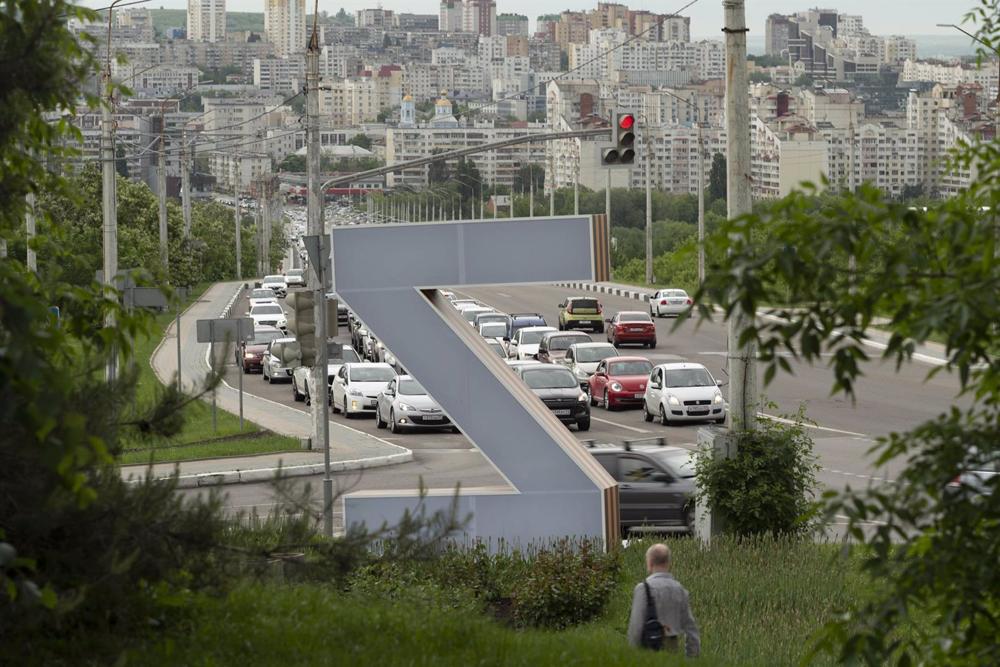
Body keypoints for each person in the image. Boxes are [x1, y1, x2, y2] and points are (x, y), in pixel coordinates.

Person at [627, 543, 700, 657]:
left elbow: (636, 627)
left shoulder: (643, 589)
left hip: (648, 649)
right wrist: (692, 657)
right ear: (668, 563)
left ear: (650, 563)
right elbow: (690, 628)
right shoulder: (679, 589)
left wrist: (631, 656)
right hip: (672, 647)